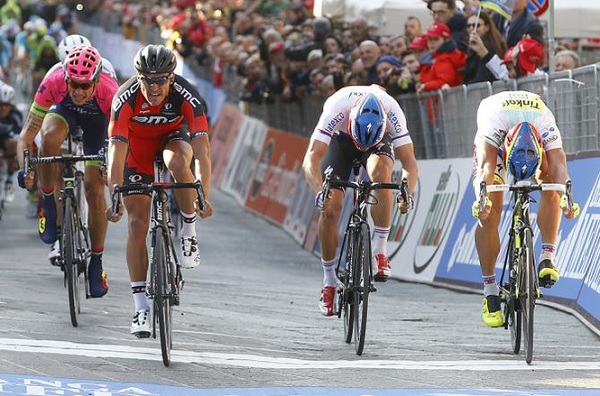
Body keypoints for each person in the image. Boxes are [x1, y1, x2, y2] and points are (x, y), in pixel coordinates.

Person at [106, 44, 213, 337]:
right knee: (137, 223)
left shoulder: (186, 93)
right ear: (138, 77)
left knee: (179, 162)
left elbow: (202, 150)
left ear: (171, 78)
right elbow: (115, 151)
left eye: (161, 79)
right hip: (136, 151)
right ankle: (140, 307)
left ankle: (189, 234)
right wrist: (114, 192)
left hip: (173, 139)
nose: (154, 87)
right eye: (148, 80)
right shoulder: (124, 98)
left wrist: (204, 190)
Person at [302, 84, 419, 316]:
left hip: (377, 143)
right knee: (330, 207)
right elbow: (311, 159)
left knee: (381, 178)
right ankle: (329, 281)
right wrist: (319, 191)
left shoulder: (393, 111)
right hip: (342, 142)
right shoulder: (337, 107)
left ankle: (380, 250)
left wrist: (407, 192)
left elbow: (409, 163)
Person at [471, 90, 580, 328]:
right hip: (497, 138)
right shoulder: (493, 126)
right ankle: (489, 290)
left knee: (550, 181)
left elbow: (560, 168)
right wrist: (482, 200)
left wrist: (566, 199)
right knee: (490, 211)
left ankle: (547, 258)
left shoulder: (545, 125)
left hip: (531, 128)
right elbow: (486, 168)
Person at [16, 45, 118, 298]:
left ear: (95, 80)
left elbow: (120, 142)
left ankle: (96, 263)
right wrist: (25, 170)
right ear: (65, 77)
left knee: (95, 191)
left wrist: (113, 173)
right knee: (48, 139)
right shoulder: (53, 81)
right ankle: (48, 202)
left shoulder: (110, 91)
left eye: (85, 86)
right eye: (73, 83)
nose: (78, 91)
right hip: (63, 112)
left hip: (98, 123)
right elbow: (25, 136)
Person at [0, 81, 22, 203]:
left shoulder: (15, 116)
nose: (3, 108)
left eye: (6, 105)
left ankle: (8, 180)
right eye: (0, 105)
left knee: (13, 143)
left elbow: (18, 137)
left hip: (8, 140)